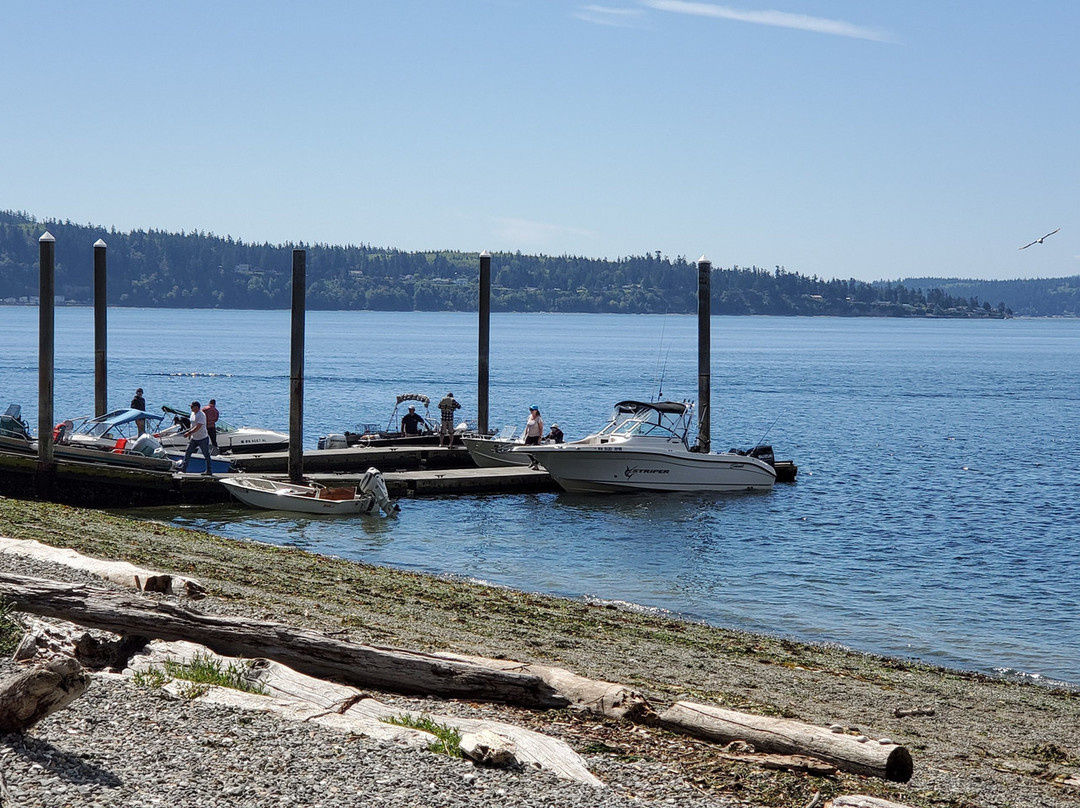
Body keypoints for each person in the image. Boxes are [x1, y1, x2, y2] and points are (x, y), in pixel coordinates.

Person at [178, 401, 214, 475]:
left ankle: (209, 470)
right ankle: (183, 468)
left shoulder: (201, 415)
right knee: (188, 452)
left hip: (202, 438)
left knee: (206, 454)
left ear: (197, 407)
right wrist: (190, 434)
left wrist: (189, 433)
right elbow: (192, 424)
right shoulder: (192, 414)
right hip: (194, 438)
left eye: (192, 407)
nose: (191, 408)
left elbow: (198, 426)